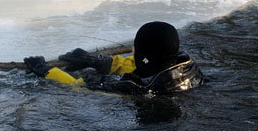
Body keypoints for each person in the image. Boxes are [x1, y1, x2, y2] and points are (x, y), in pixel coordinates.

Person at [23, 21, 204, 95]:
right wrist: (101, 62)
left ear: (143, 53)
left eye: (136, 47)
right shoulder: (187, 65)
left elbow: (81, 87)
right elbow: (150, 65)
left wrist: (45, 70)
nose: (133, 49)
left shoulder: (136, 89)